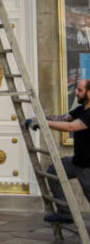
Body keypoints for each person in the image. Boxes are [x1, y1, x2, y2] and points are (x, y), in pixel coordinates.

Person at [25, 79, 90, 224]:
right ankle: (65, 213)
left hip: (88, 167)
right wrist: (39, 119)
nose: (76, 92)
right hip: (77, 161)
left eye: (80, 90)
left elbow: (71, 127)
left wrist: (44, 123)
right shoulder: (81, 109)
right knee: (53, 172)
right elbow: (63, 119)